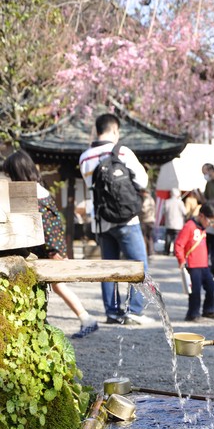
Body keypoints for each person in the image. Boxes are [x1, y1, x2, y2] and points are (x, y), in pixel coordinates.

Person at [3, 150, 98, 339]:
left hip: (50, 249)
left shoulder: (30, 193)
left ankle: (87, 319)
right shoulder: (40, 187)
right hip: (52, 247)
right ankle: (47, 322)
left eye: (10, 174)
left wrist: (54, 251)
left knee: (58, 286)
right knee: (50, 286)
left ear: (17, 173)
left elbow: (47, 225)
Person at [79, 113, 153, 325]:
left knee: (108, 268)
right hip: (126, 220)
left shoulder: (85, 157)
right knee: (139, 265)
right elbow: (143, 180)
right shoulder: (122, 151)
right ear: (114, 130)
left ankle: (112, 311)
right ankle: (134, 311)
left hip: (101, 222)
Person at [174, 200, 214, 322]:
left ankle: (209, 309)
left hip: (204, 264)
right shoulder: (189, 226)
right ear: (201, 216)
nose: (211, 224)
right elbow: (179, 244)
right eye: (210, 221)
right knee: (195, 290)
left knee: (211, 285)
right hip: (193, 264)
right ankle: (193, 313)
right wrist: (181, 260)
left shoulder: (202, 228)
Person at [163, 188, 186, 255]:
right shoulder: (180, 202)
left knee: (168, 237)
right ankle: (175, 251)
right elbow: (184, 212)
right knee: (177, 238)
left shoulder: (167, 202)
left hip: (169, 222)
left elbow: (163, 212)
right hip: (178, 224)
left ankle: (166, 251)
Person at [139, 189, 156, 257]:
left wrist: (138, 213)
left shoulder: (146, 199)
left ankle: (145, 251)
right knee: (149, 237)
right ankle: (150, 251)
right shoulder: (152, 199)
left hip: (145, 220)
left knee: (144, 237)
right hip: (151, 220)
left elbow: (144, 209)